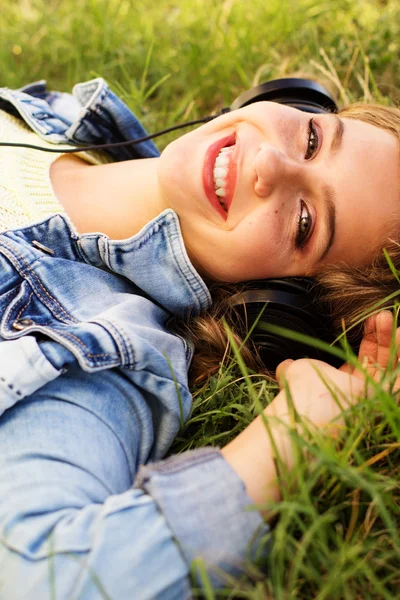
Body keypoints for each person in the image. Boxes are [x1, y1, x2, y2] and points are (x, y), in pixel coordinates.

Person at [0, 77, 398, 600]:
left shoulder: (101, 359)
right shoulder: (67, 123)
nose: (271, 164)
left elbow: (44, 579)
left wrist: (293, 430)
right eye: (313, 140)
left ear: (277, 300)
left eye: (305, 223)